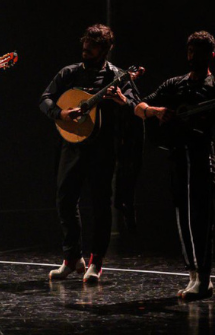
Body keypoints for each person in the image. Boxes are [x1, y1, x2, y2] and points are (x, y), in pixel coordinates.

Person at [134, 31, 215, 300]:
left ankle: (204, 279)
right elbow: (142, 104)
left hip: (202, 158)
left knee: (200, 219)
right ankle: (193, 275)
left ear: (210, 55)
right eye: (190, 51)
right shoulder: (175, 83)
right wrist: (156, 112)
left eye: (199, 52)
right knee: (183, 217)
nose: (193, 57)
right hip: (178, 156)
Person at [39, 24, 137, 283]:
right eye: (85, 44)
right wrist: (59, 113)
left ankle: (96, 262)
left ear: (104, 49)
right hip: (71, 146)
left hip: (102, 149)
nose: (86, 49)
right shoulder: (69, 73)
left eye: (92, 46)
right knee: (65, 201)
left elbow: (136, 107)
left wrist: (123, 101)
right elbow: (45, 98)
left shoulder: (118, 77)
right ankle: (72, 259)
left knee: (100, 205)